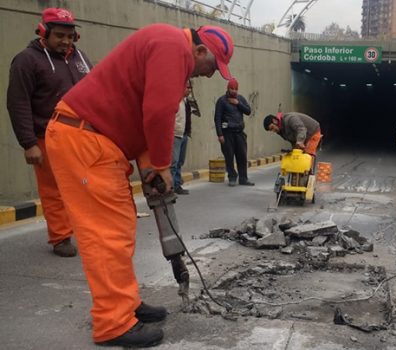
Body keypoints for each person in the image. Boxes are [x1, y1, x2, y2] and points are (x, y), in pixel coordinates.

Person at [44, 24, 235, 347]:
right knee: (106, 236)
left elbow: (144, 113)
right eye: (212, 67)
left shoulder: (164, 43)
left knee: (118, 231)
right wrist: (161, 167)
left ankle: (125, 305)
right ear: (200, 51)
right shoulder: (172, 45)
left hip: (96, 141)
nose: (210, 75)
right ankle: (113, 323)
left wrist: (150, 169)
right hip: (85, 139)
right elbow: (159, 111)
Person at [6, 8, 92, 258]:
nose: (65, 41)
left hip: (83, 136)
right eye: (59, 36)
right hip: (47, 137)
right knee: (53, 190)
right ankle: (61, 237)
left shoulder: (81, 58)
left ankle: (84, 230)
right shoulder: (26, 60)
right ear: (43, 32)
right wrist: (28, 143)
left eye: (70, 35)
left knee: (84, 186)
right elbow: (18, 102)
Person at [214, 78, 254, 187]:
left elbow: (248, 111)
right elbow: (217, 118)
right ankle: (232, 177)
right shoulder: (222, 101)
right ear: (228, 88)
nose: (234, 91)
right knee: (229, 156)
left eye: (236, 89)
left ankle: (243, 178)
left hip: (239, 133)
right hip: (227, 134)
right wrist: (220, 134)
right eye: (232, 88)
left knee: (242, 156)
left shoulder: (240, 99)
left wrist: (238, 103)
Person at [171, 81, 192, 195]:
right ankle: (171, 187)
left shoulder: (186, 102)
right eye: (187, 87)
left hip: (184, 134)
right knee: (173, 162)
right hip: (176, 134)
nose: (189, 90)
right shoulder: (176, 101)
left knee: (180, 161)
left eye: (190, 88)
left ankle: (177, 184)